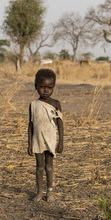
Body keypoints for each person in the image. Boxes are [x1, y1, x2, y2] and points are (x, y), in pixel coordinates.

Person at [27, 68, 64, 202]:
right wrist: (29, 143)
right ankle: (38, 192)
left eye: (49, 87)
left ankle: (50, 192)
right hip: (38, 139)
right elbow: (30, 124)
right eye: (42, 87)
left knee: (49, 167)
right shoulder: (33, 105)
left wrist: (61, 142)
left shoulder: (56, 104)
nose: (46, 90)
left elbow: (60, 124)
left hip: (51, 139)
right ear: (35, 87)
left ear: (53, 87)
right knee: (39, 167)